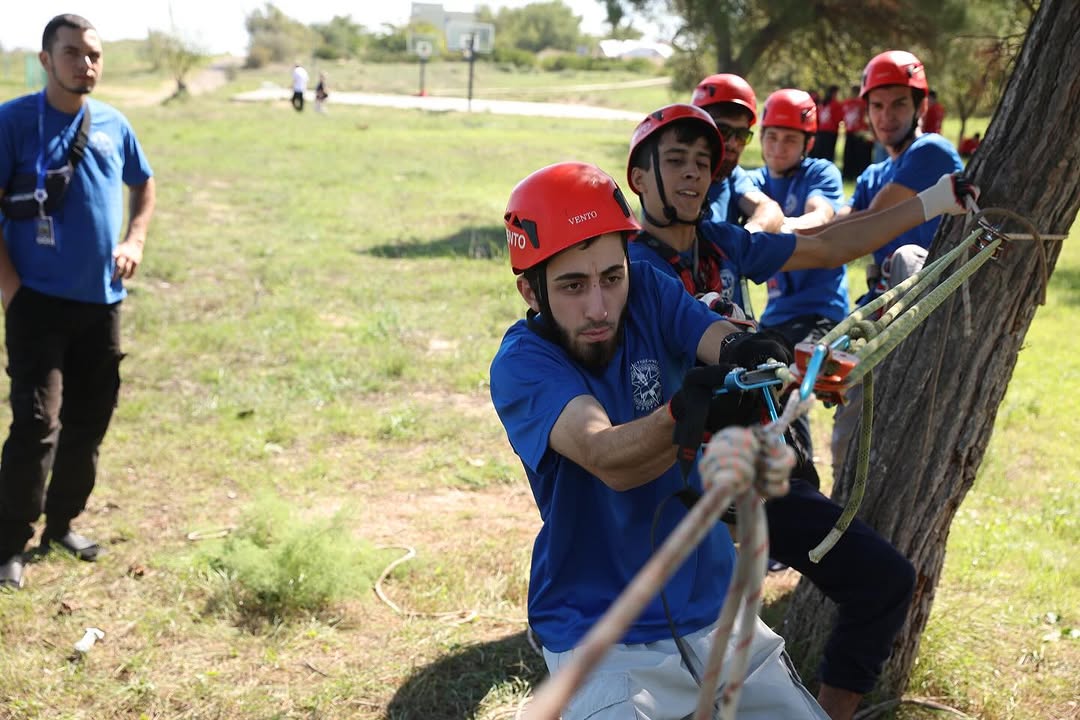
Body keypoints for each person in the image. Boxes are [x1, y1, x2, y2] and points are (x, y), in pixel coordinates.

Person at [623, 103, 975, 720]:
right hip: (680, 480)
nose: (691, 175)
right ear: (640, 178)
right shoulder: (625, 269)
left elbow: (829, 243)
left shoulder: (721, 244)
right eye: (674, 161)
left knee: (882, 582)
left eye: (703, 163)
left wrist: (934, 202)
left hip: (757, 461)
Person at [491, 159, 831, 719]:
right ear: (531, 290)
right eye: (573, 286)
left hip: (715, 605)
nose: (599, 307)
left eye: (611, 277)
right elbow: (607, 457)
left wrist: (745, 352)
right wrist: (687, 413)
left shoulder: (647, 287)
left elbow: (709, 334)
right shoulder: (523, 364)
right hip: (600, 633)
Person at [0, 14, 155, 591]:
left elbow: (144, 182)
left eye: (92, 54)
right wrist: (12, 288)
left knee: (89, 421)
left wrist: (134, 238)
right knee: (38, 424)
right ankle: (8, 541)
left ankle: (62, 524)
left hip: (101, 302)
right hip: (36, 302)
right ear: (46, 60)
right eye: (71, 54)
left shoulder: (115, 123)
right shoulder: (13, 122)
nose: (84, 64)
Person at [826, 50, 963, 493]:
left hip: (930, 300)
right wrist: (779, 230)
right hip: (882, 310)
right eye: (878, 105)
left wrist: (789, 241)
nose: (886, 116)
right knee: (848, 429)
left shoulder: (931, 152)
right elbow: (837, 220)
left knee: (905, 255)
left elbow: (864, 225)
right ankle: (843, 510)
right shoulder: (871, 174)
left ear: (921, 107)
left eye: (899, 104)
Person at [750, 88, 848, 348]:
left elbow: (821, 215)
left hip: (821, 311)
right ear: (760, 137)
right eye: (772, 137)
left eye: (790, 139)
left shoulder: (820, 172)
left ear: (808, 143)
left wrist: (777, 230)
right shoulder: (753, 181)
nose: (778, 148)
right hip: (774, 316)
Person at [690, 73, 784, 235]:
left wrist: (745, 240)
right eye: (722, 131)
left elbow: (769, 209)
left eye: (741, 135)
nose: (732, 143)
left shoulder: (731, 175)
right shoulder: (675, 176)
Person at [840, 84, 873, 180]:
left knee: (849, 155)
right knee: (860, 156)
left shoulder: (847, 103)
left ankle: (848, 174)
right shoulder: (862, 102)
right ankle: (858, 174)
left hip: (850, 131)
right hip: (860, 132)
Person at [810, 85, 842, 163]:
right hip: (831, 132)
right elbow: (838, 119)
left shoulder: (822, 103)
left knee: (820, 152)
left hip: (821, 131)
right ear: (835, 93)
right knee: (828, 154)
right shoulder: (835, 104)